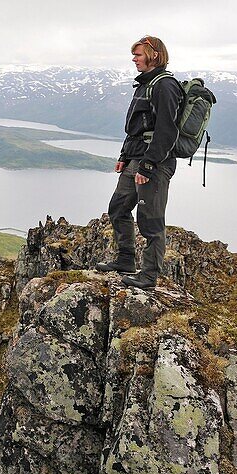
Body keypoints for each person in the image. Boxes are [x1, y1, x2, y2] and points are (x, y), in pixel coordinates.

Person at [95, 35, 183, 289]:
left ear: (154, 55)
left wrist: (148, 165)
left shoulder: (165, 86)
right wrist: (125, 157)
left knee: (150, 220)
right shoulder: (145, 85)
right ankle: (125, 260)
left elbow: (167, 131)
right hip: (135, 158)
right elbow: (136, 128)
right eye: (134, 55)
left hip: (154, 164)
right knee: (118, 208)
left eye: (138, 55)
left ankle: (149, 275)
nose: (134, 59)